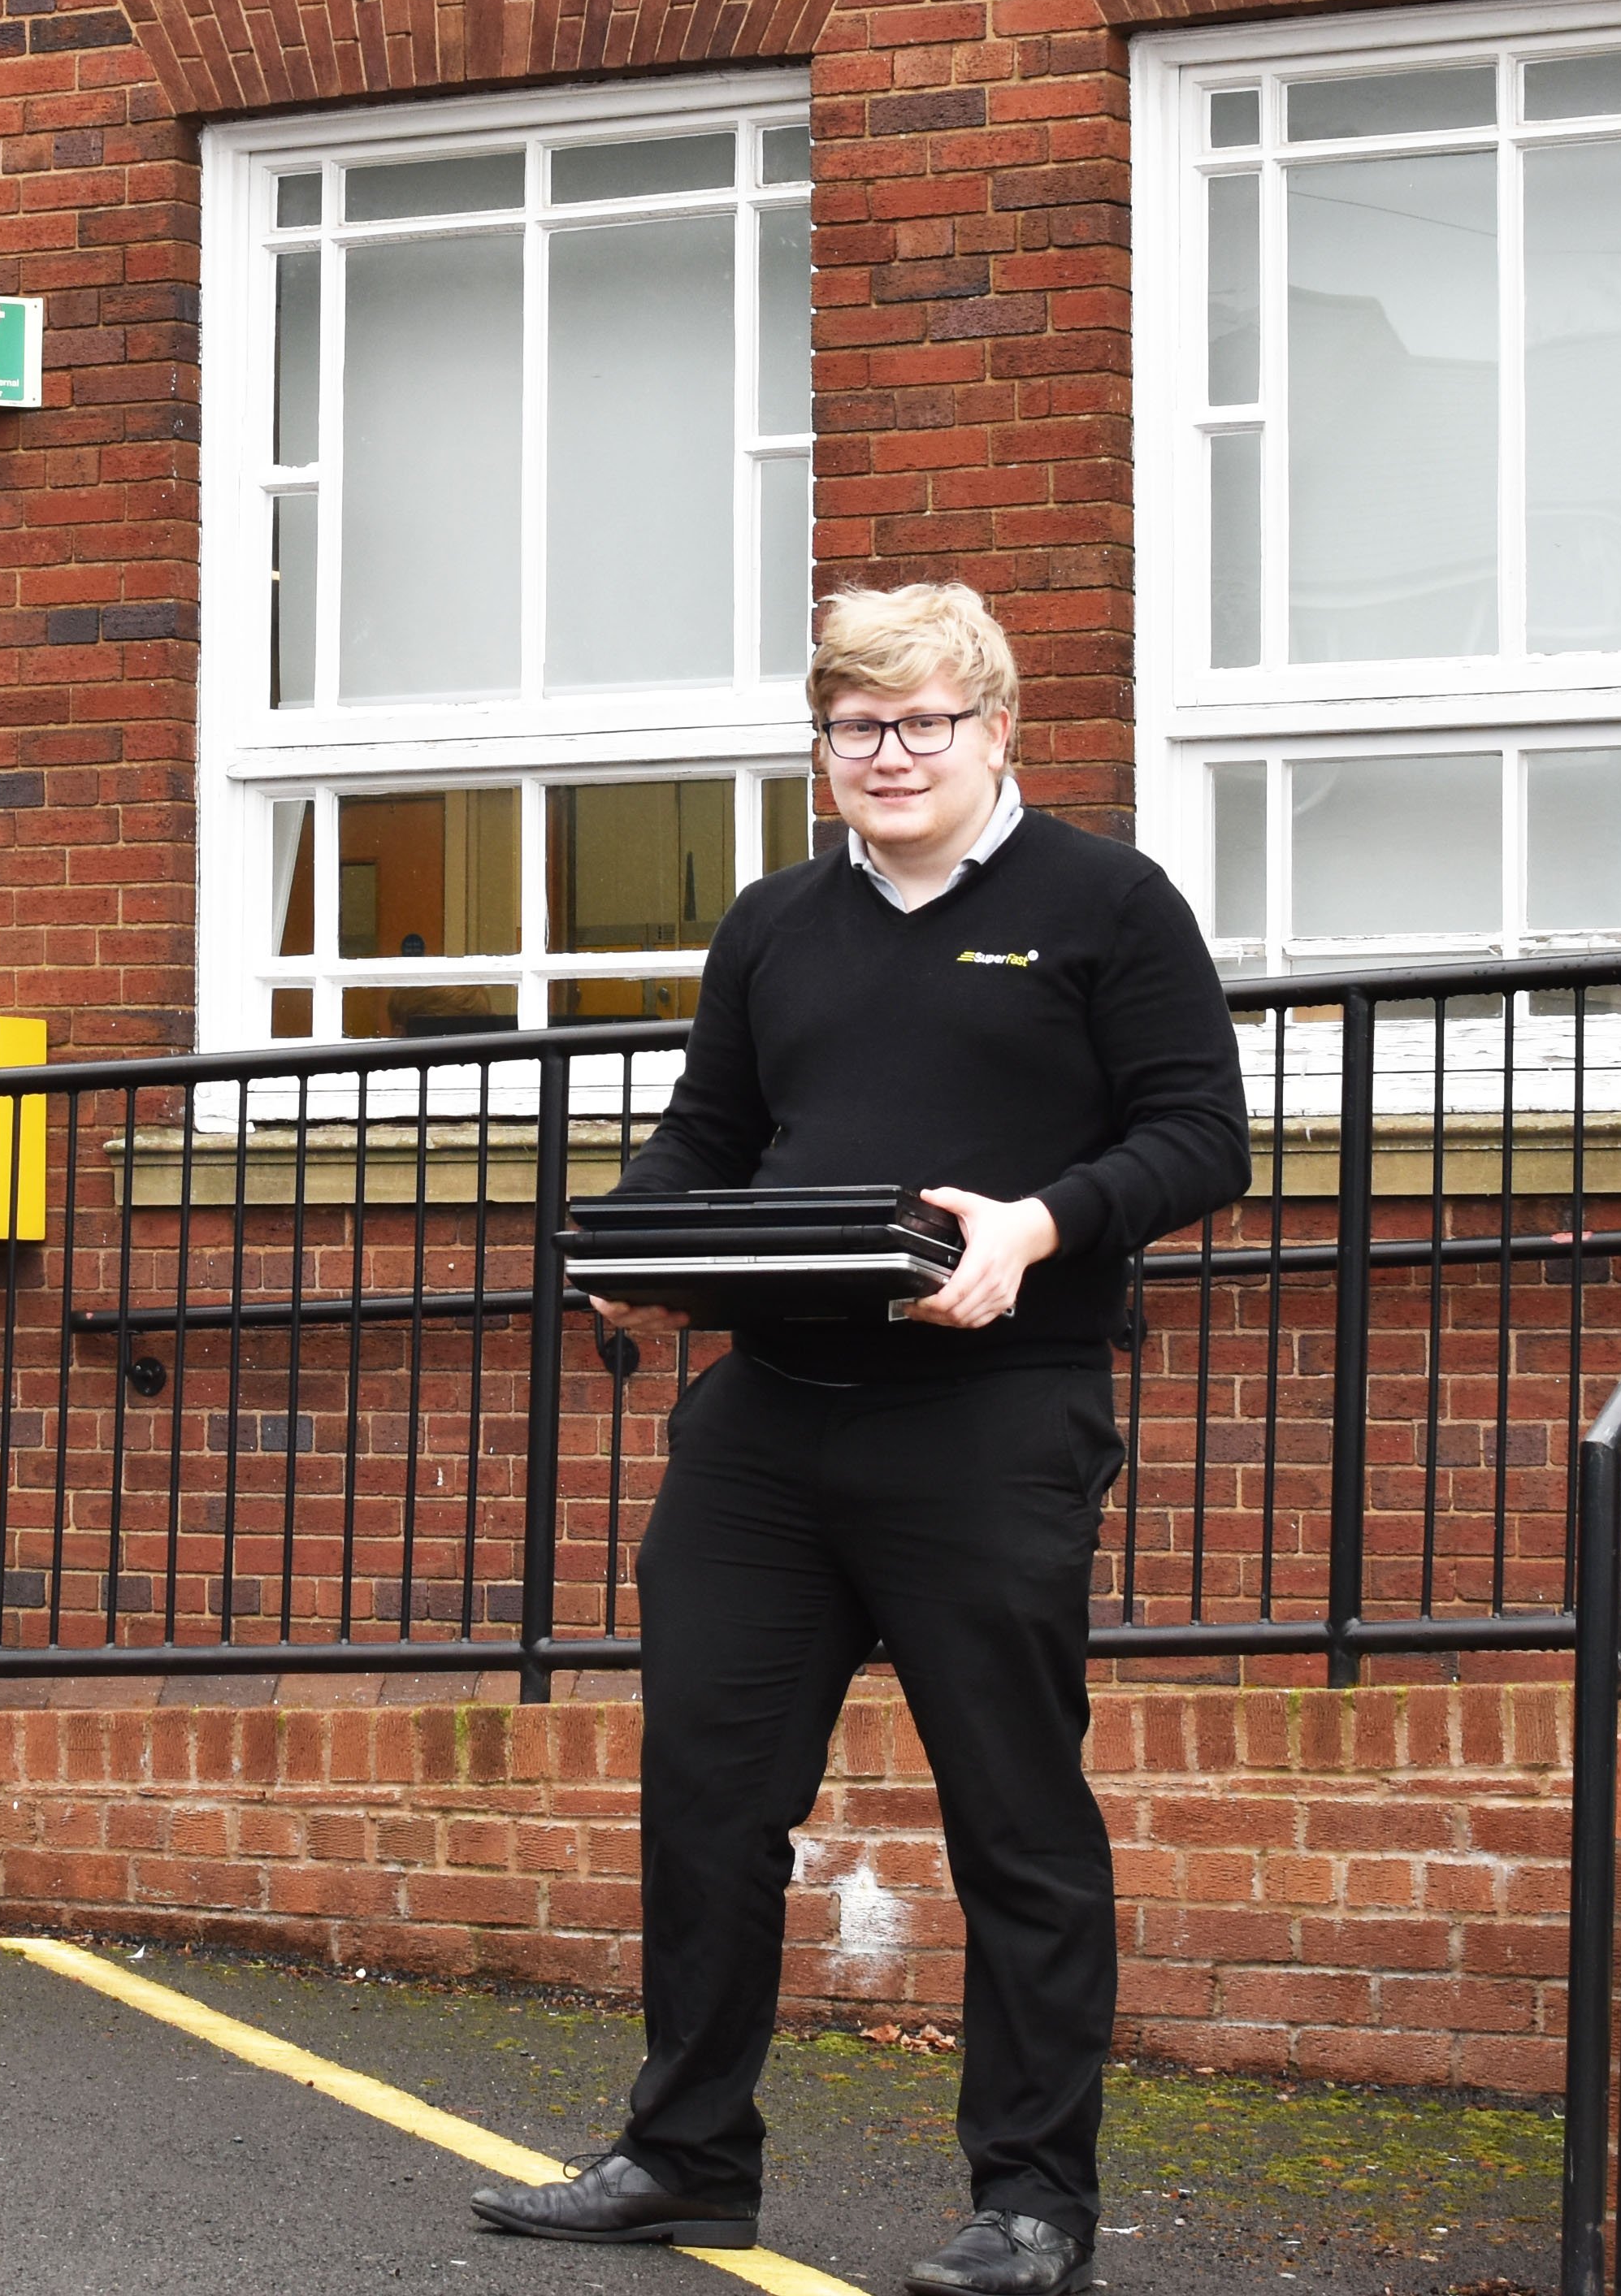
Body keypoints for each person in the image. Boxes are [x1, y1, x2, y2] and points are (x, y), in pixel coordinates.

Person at [466, 582, 1248, 2296]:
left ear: (996, 726)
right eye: (853, 726)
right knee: (707, 1798)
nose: (885, 755)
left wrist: (1042, 1222)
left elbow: (1202, 1134)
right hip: (767, 1427)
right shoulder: (774, 925)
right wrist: (631, 1250)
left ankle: (1033, 2199)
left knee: (1015, 1816)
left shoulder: (1105, 901)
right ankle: (686, 2155)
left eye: (921, 721)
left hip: (992, 1416)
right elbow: (711, 1134)